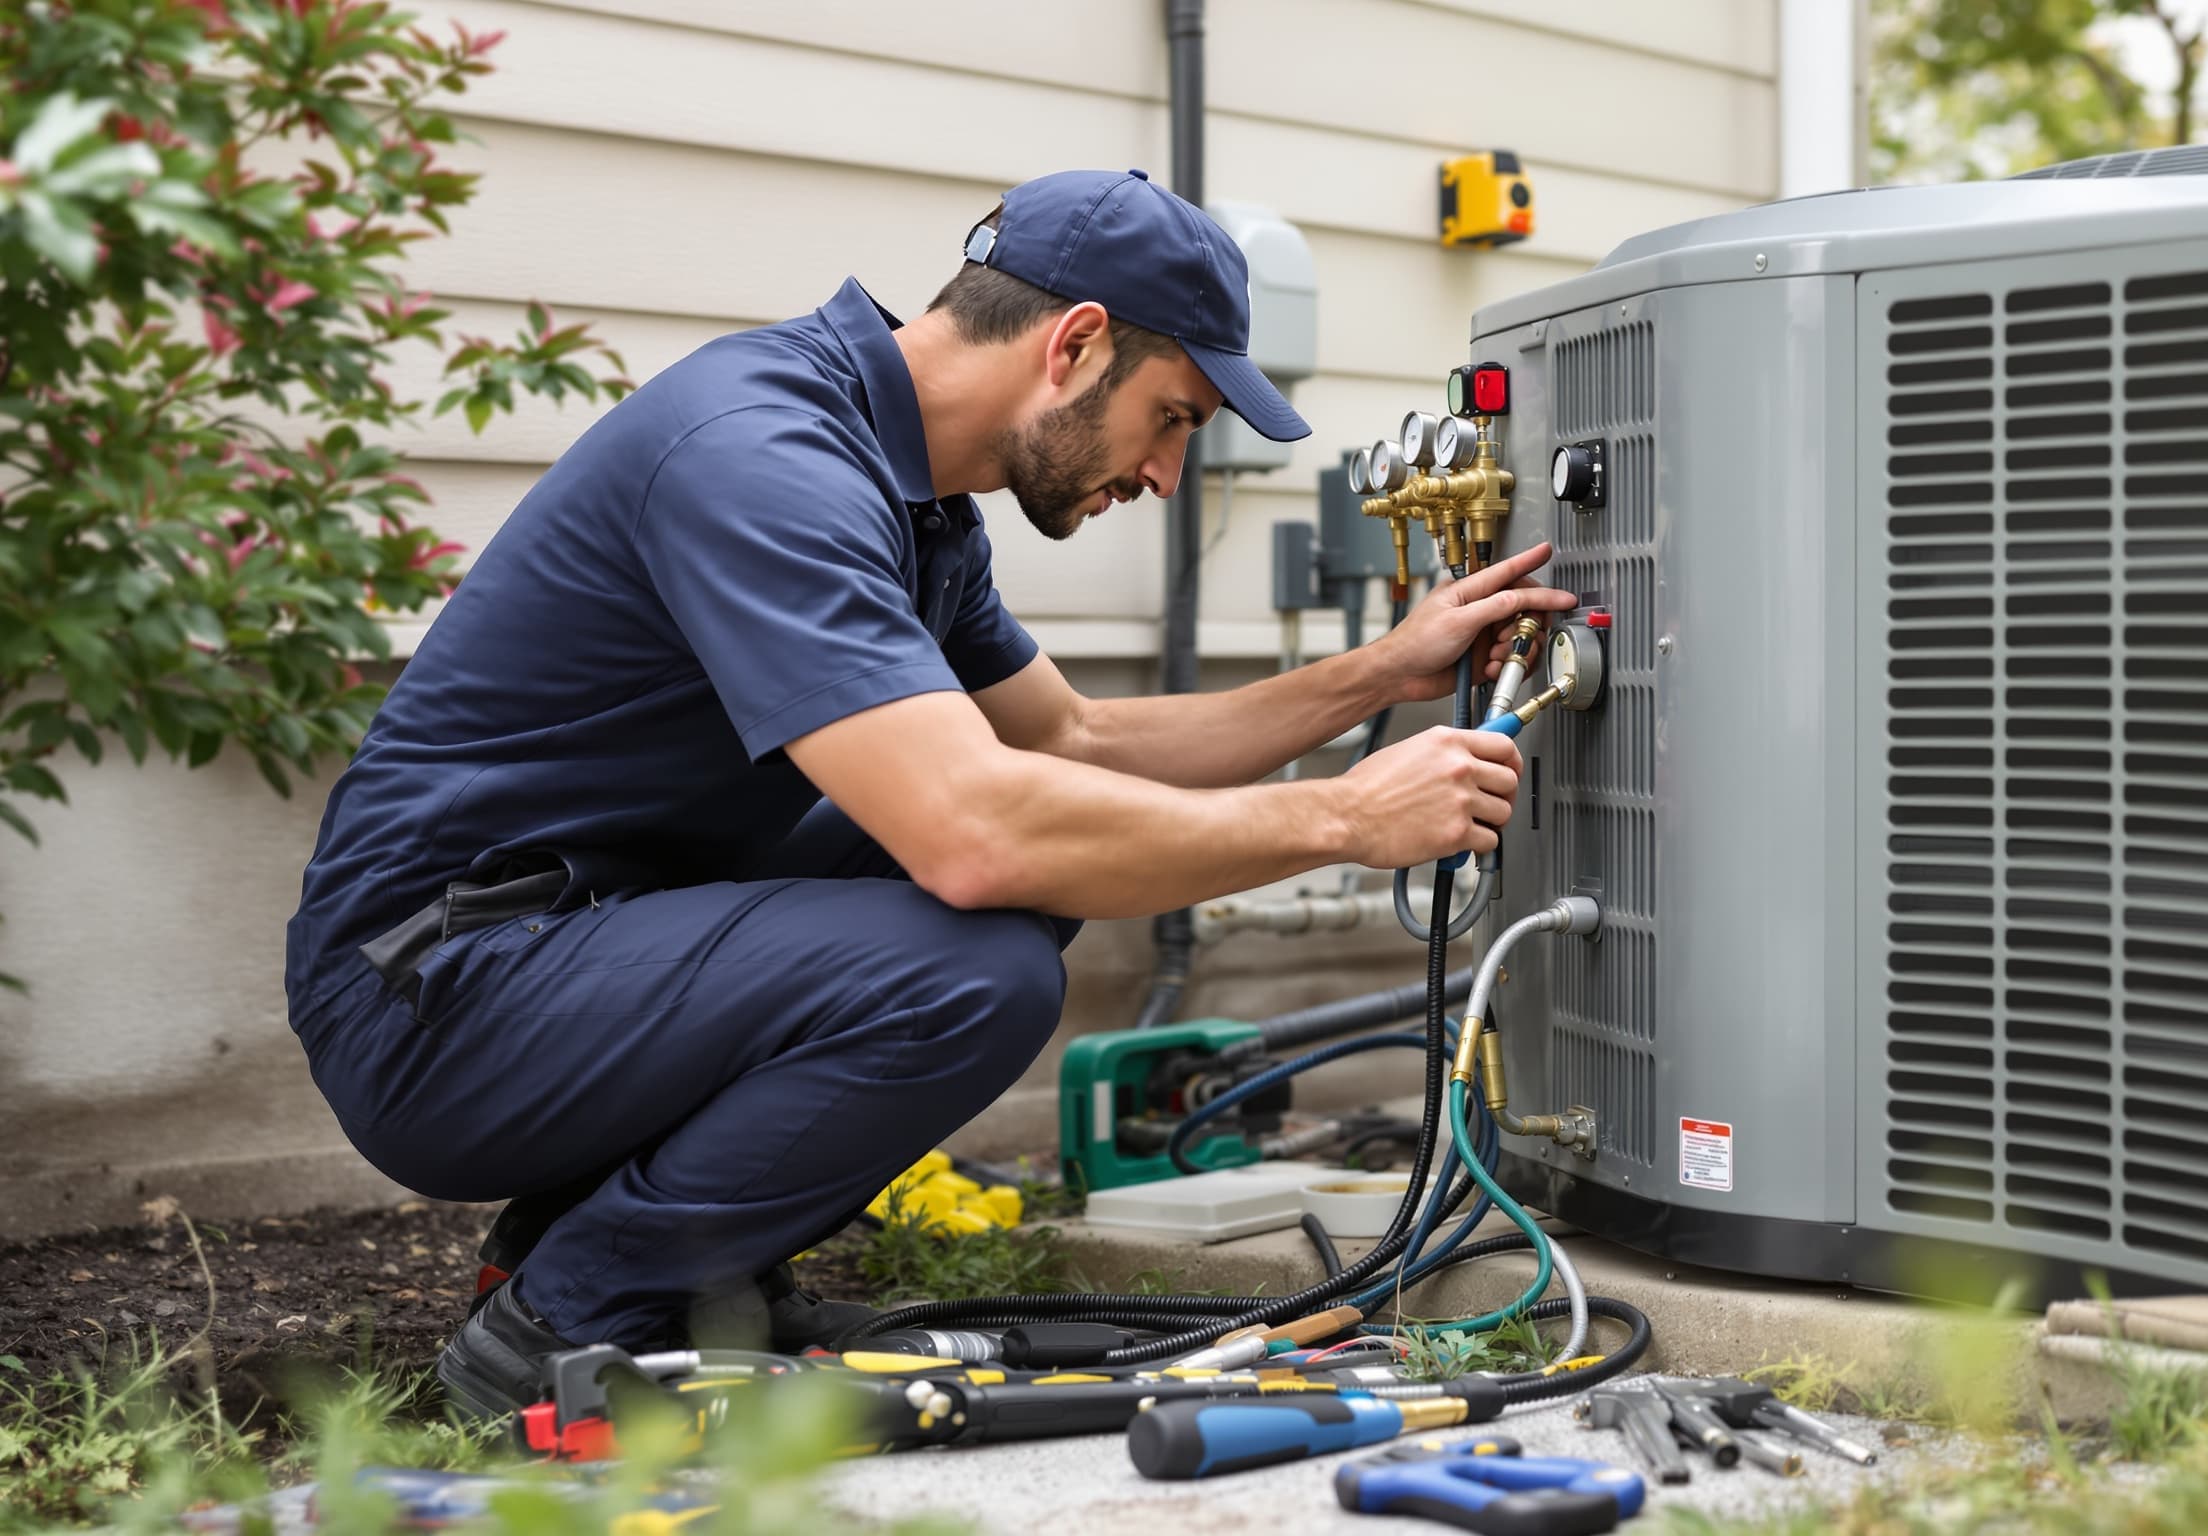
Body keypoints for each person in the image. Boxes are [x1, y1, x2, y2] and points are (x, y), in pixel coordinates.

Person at [280, 168, 1575, 1416]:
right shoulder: (767, 457)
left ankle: (672, 1272)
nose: (1169, 475)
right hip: (438, 993)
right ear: (1072, 345)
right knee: (980, 957)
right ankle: (567, 1317)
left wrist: (1382, 673)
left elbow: (1071, 742)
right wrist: (1343, 820)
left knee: (1038, 867)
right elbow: (976, 835)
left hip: (572, 952)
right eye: (1174, 418)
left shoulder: (924, 510)